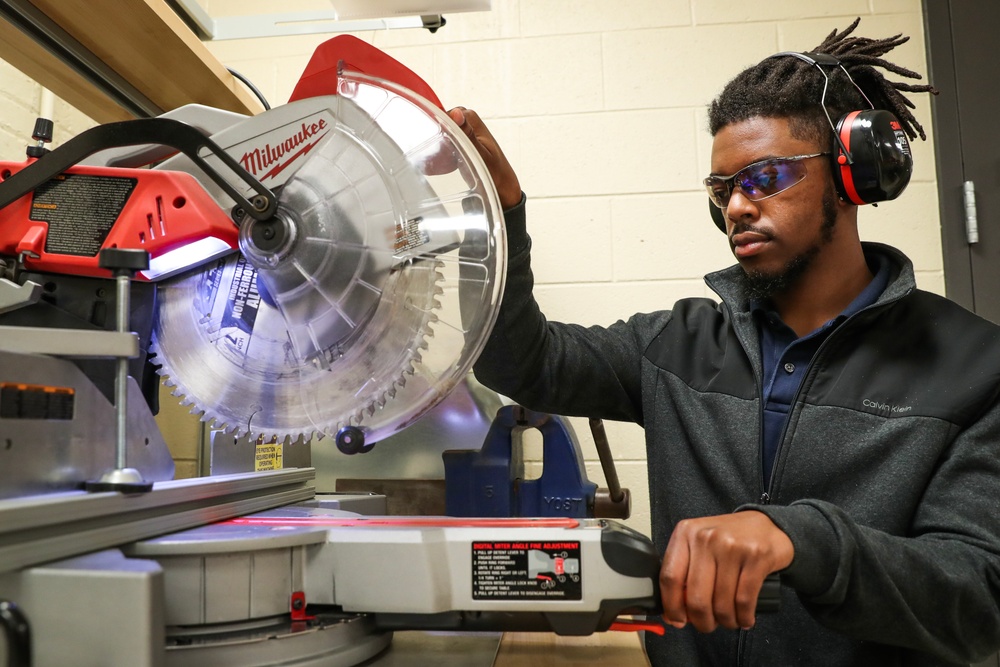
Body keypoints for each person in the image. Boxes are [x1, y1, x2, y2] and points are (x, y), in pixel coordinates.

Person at [450, 18, 1000, 667]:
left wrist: (802, 538)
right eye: (723, 189)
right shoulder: (677, 343)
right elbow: (526, 362)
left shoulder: (973, 367)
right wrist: (500, 216)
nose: (737, 206)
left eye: (765, 179)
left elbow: (979, 599)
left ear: (855, 176)